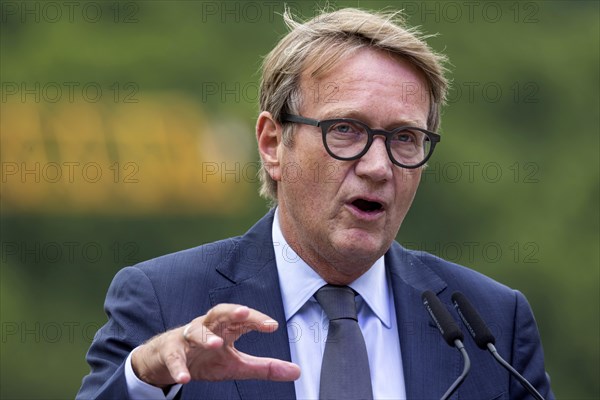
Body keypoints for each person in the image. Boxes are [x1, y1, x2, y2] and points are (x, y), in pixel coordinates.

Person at [77, 7, 554, 400]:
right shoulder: (164, 300)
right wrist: (145, 377)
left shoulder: (490, 323)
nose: (378, 167)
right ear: (271, 143)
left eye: (405, 138)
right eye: (345, 129)